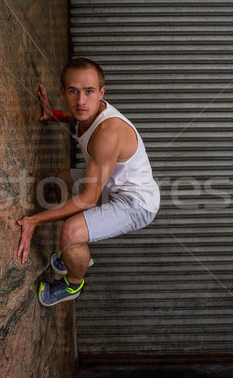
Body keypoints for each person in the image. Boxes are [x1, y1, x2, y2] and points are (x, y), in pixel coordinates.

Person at [16, 57, 160, 307]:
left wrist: (33, 221)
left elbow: (88, 199)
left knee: (71, 232)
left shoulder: (109, 133)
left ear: (101, 92)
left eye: (89, 91)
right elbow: (79, 117)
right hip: (110, 186)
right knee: (62, 179)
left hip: (138, 204)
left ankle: (73, 283)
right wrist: (54, 115)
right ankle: (78, 247)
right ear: (63, 91)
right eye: (73, 91)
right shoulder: (90, 109)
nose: (81, 100)